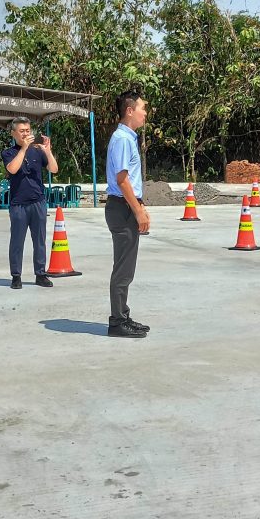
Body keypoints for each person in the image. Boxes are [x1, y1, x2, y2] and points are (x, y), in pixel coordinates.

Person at [104, 91, 151, 338]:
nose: (145, 112)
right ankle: (117, 322)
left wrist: (140, 208)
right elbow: (122, 180)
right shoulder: (122, 139)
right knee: (123, 269)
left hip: (125, 206)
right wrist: (138, 211)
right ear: (130, 110)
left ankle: (123, 315)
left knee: (126, 267)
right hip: (122, 208)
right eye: (143, 108)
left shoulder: (127, 138)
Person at [2, 117, 59, 289]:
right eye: (22, 131)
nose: (26, 134)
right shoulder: (9, 152)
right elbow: (12, 169)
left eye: (28, 130)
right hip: (18, 204)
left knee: (39, 240)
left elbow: (54, 169)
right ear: (13, 134)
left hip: (38, 202)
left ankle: (40, 274)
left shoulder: (37, 151)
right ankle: (16, 276)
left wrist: (47, 151)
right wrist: (24, 148)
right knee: (17, 241)